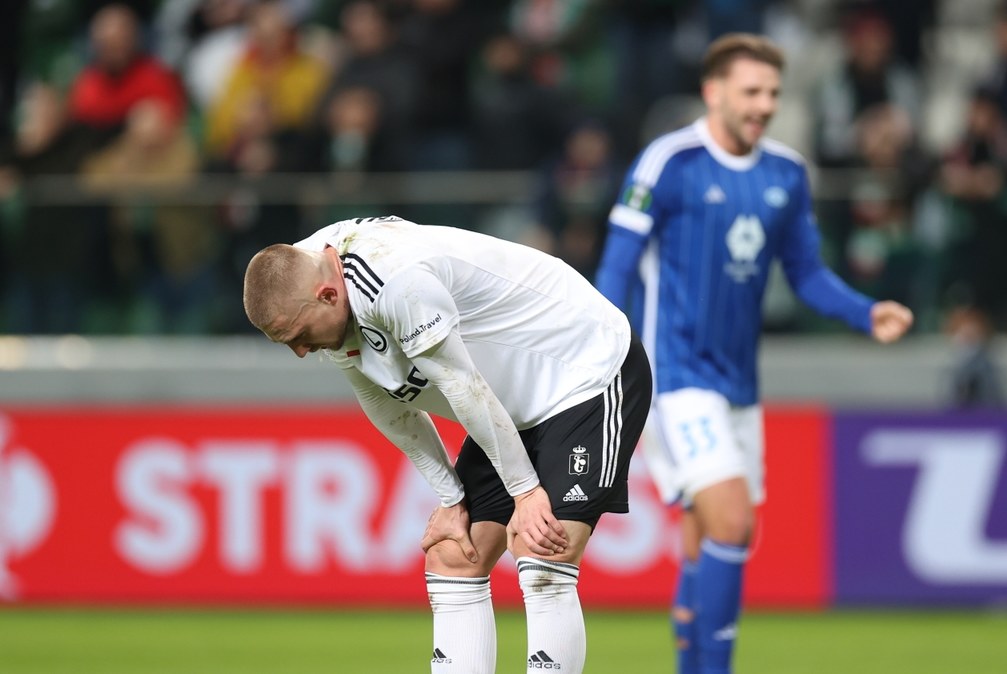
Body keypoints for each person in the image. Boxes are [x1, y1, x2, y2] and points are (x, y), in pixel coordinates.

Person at [594, 33, 914, 674]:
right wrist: (605, 366)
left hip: (739, 384)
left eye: (772, 92)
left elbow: (807, 274)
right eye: (751, 91)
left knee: (708, 533)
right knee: (733, 522)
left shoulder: (786, 173)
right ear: (714, 93)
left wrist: (863, 309)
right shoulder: (669, 162)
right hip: (673, 374)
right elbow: (615, 274)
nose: (764, 104)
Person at [242, 215, 651, 674]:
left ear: (328, 295)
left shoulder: (396, 281)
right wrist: (451, 497)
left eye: (299, 337)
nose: (301, 352)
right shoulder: (307, 276)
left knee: (541, 547)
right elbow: (383, 400)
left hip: (581, 369)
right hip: (508, 403)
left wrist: (524, 491)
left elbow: (462, 386)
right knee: (453, 553)